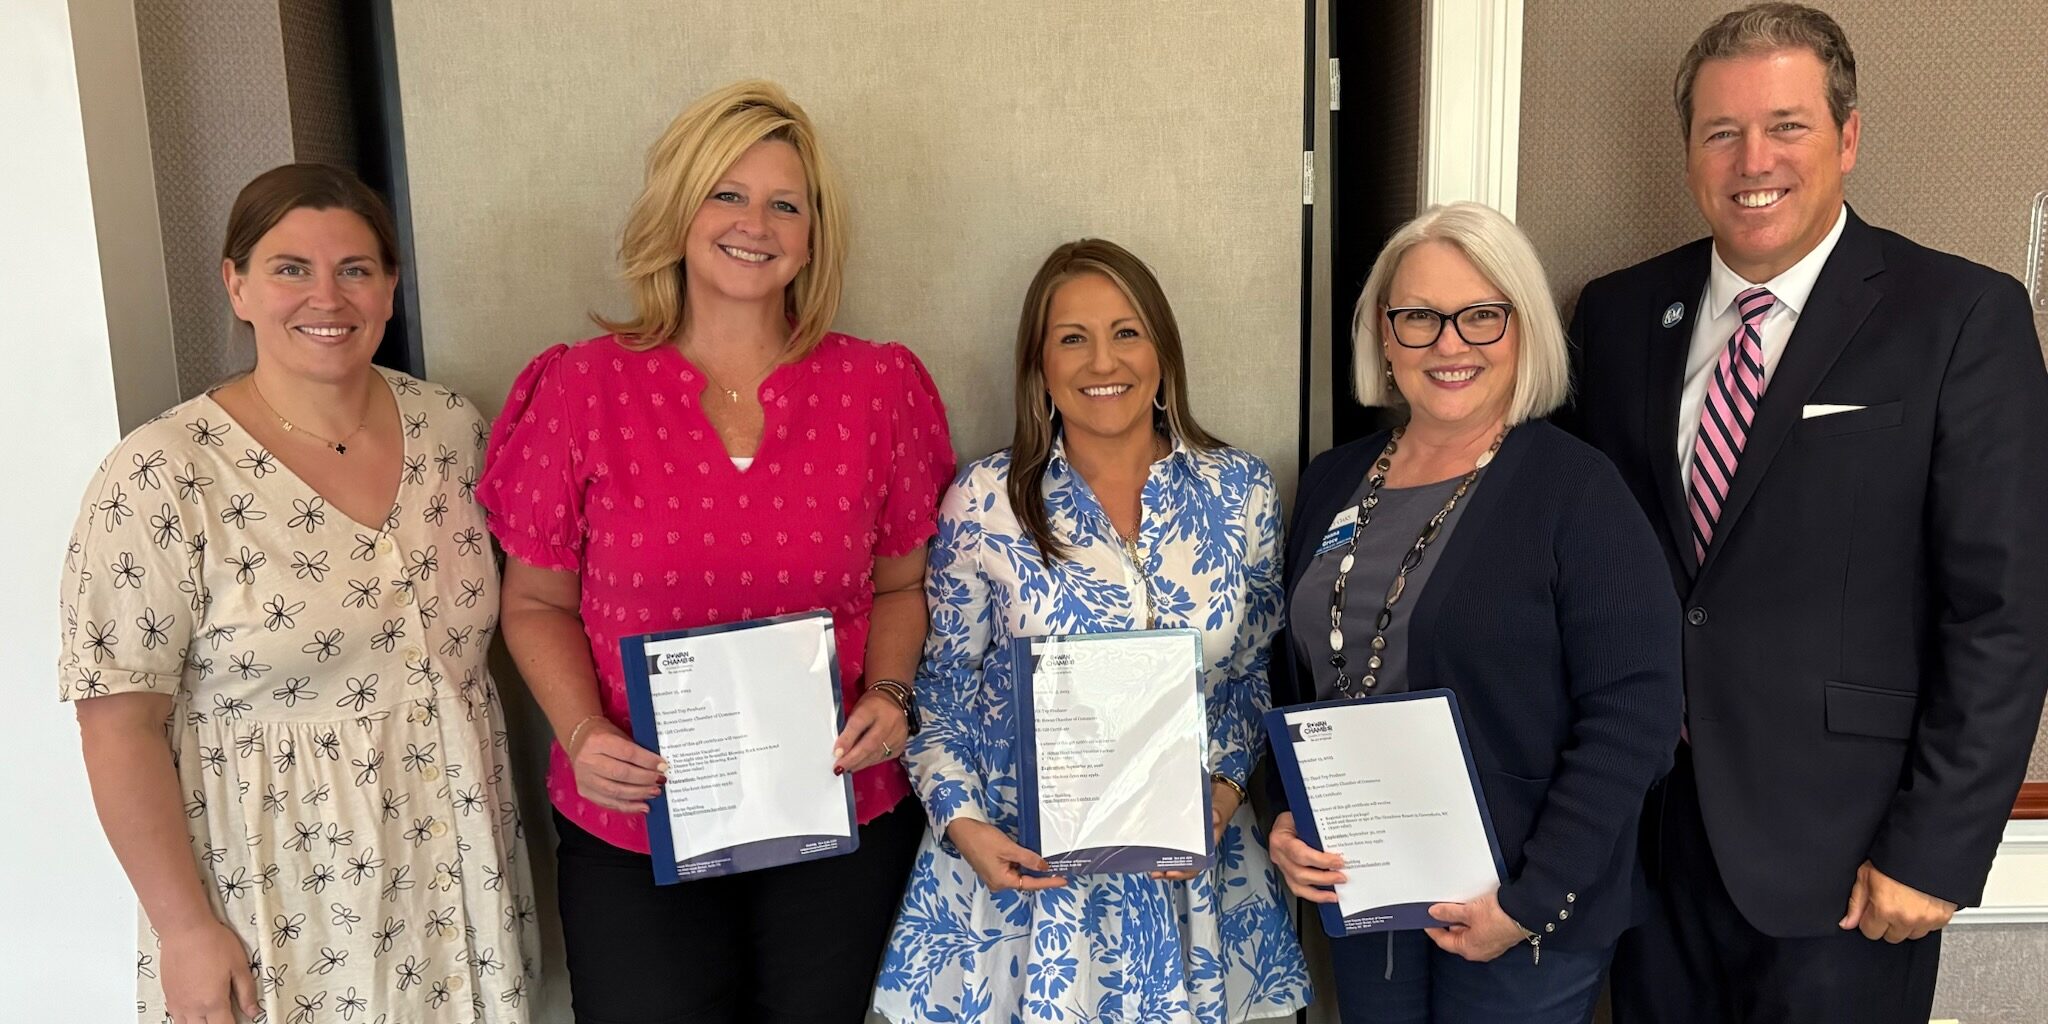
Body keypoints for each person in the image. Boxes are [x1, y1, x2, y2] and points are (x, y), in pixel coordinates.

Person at [1561, 5, 2048, 1021]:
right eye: (1719, 131)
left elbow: (2001, 611)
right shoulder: (1613, 316)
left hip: (1849, 862)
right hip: (1649, 845)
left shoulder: (1958, 316)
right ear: (1687, 150)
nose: (1752, 160)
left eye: (1785, 125)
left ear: (1847, 137)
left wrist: (1935, 847)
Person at [480, 79, 954, 1023]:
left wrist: (891, 697)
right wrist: (582, 735)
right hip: (634, 826)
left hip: (836, 816)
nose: (756, 223)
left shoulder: (877, 387)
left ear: (813, 234)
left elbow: (903, 585)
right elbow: (534, 603)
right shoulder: (583, 389)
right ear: (677, 211)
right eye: (726, 194)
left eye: (786, 203)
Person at [58, 163, 539, 1023]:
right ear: (236, 285)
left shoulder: (454, 431)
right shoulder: (164, 474)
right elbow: (115, 723)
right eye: (290, 269)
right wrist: (183, 930)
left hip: (459, 869)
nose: (328, 296)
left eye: (355, 269)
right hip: (280, 894)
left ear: (390, 289)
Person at [871, 239, 1312, 1023]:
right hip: (1027, 880)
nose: (1101, 359)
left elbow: (1251, 673)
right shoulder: (986, 500)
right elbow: (940, 687)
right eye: (1072, 337)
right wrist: (963, 823)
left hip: (1191, 878)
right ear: (1039, 366)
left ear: (1163, 352)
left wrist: (1223, 788)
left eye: (1127, 331)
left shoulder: (1238, 488)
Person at [1266, 202, 1682, 1023]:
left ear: (1521, 329)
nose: (1450, 343)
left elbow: (1637, 713)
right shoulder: (1328, 483)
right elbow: (1294, 682)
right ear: (1385, 337)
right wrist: (1285, 813)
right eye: (1419, 317)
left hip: (1519, 909)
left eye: (1481, 316)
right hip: (1369, 894)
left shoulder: (1577, 490)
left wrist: (1533, 899)